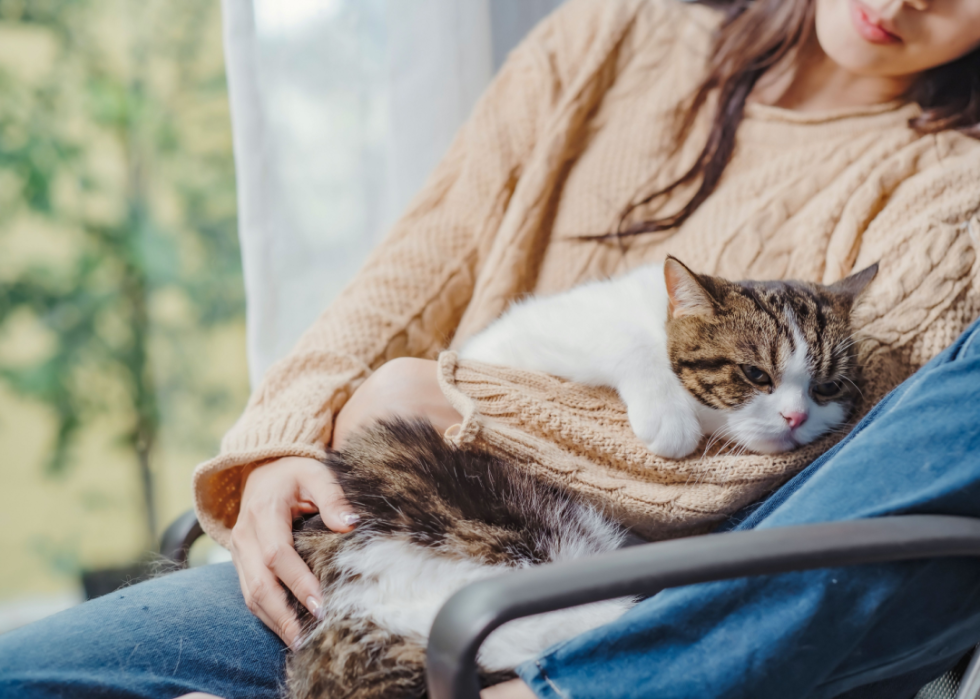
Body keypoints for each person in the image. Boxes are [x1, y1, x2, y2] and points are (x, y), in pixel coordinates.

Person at [1, 0, 978, 697]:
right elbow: (424, 261)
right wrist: (283, 441)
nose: (900, 2)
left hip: (612, 607)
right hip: (389, 542)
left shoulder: (952, 192)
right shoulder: (611, 34)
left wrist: (456, 401)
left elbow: (784, 469)